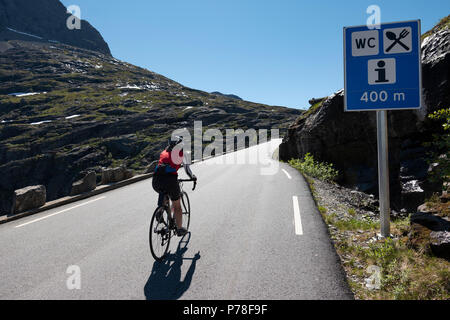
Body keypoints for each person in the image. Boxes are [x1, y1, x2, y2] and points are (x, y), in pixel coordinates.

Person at [152, 136, 197, 237]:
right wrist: (193, 177)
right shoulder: (181, 153)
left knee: (164, 193)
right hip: (170, 181)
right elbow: (187, 170)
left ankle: (161, 210)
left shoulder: (163, 152)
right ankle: (180, 229)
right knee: (177, 206)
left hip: (156, 180)